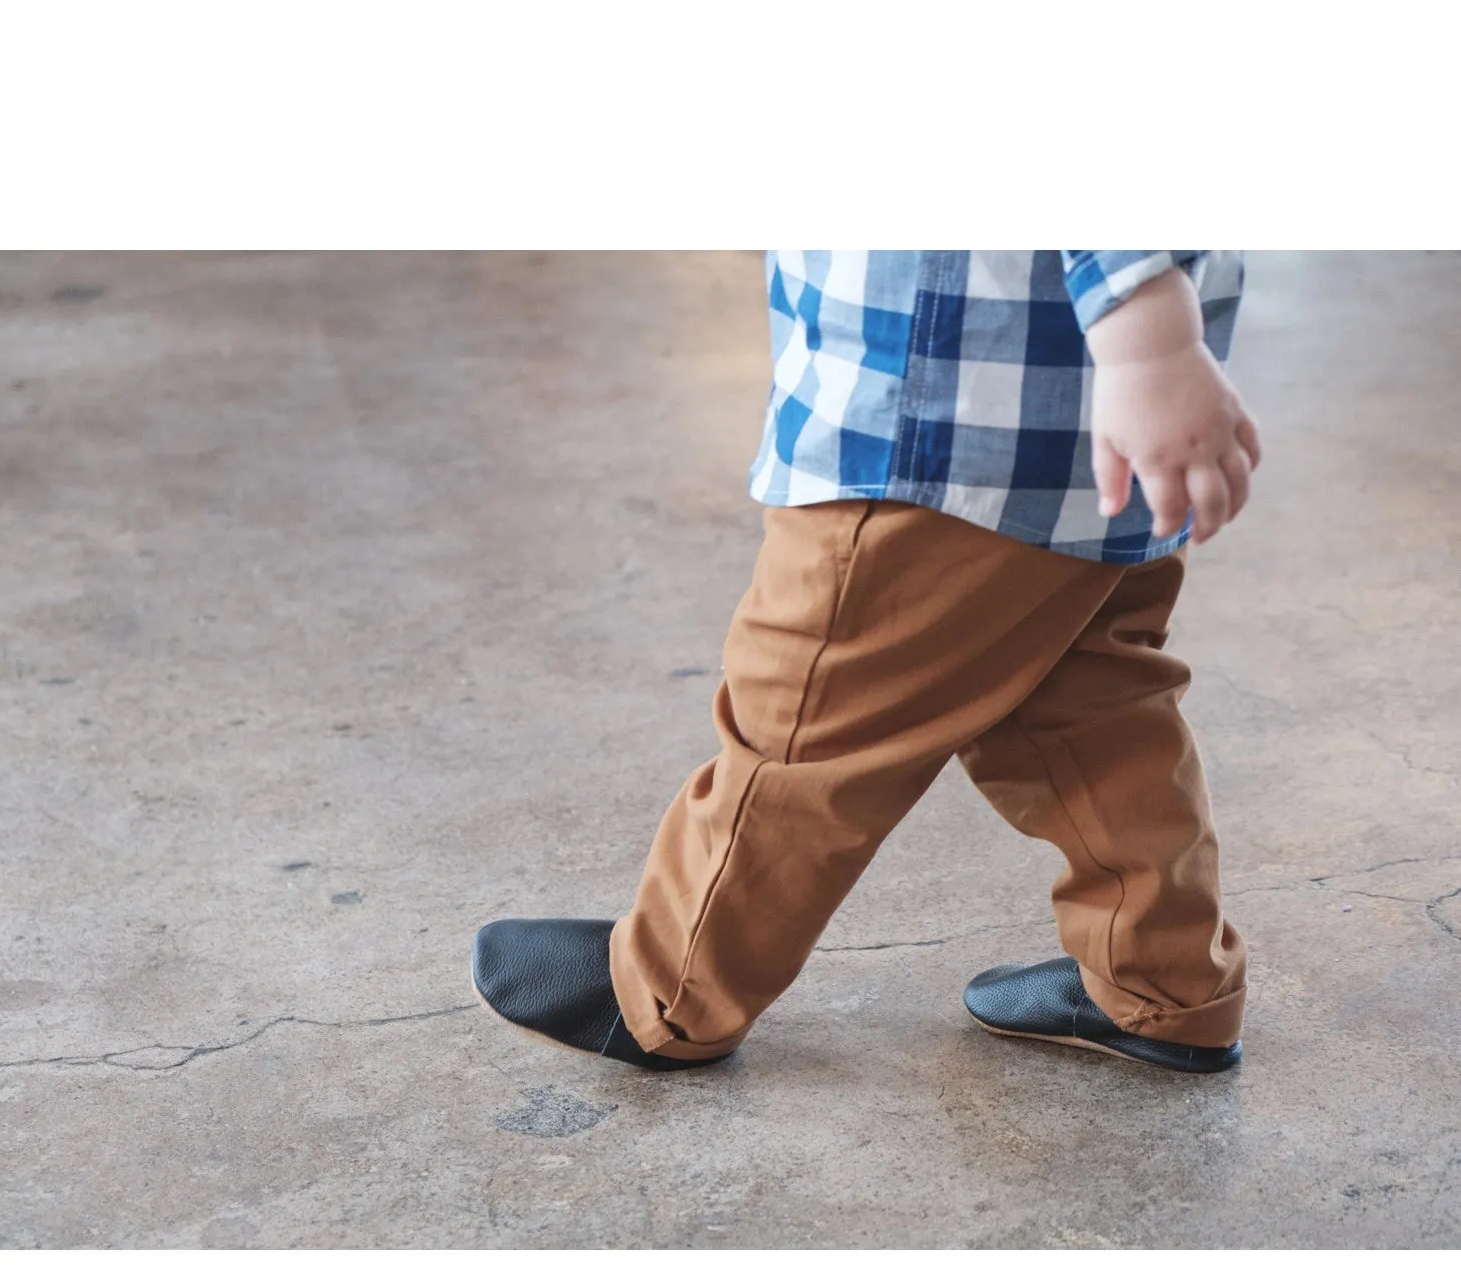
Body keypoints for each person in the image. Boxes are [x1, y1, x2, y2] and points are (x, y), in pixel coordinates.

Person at [472, 251, 1261, 1075]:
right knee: (1085, 700)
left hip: (947, 415)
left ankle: (668, 990)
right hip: (1077, 424)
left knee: (806, 718)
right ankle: (1162, 984)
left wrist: (1149, 337)